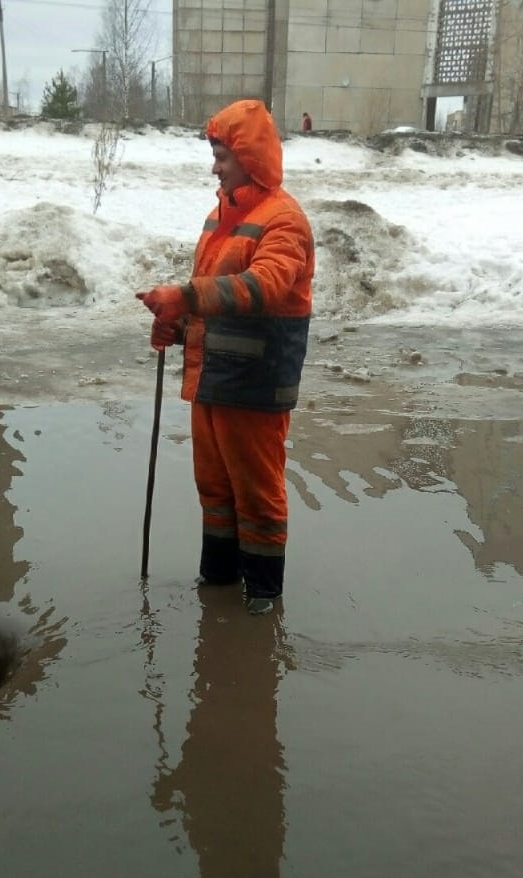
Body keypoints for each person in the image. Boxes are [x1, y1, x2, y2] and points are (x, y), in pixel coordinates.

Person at [136, 99, 315, 615]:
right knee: (214, 488)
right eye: (214, 155)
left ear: (249, 157)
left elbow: (264, 289)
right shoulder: (222, 214)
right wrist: (179, 324)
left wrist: (186, 297)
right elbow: (217, 296)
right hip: (213, 376)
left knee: (256, 491)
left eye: (222, 156)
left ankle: (262, 594)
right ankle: (218, 578)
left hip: (255, 384)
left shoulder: (284, 220)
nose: (214, 166)